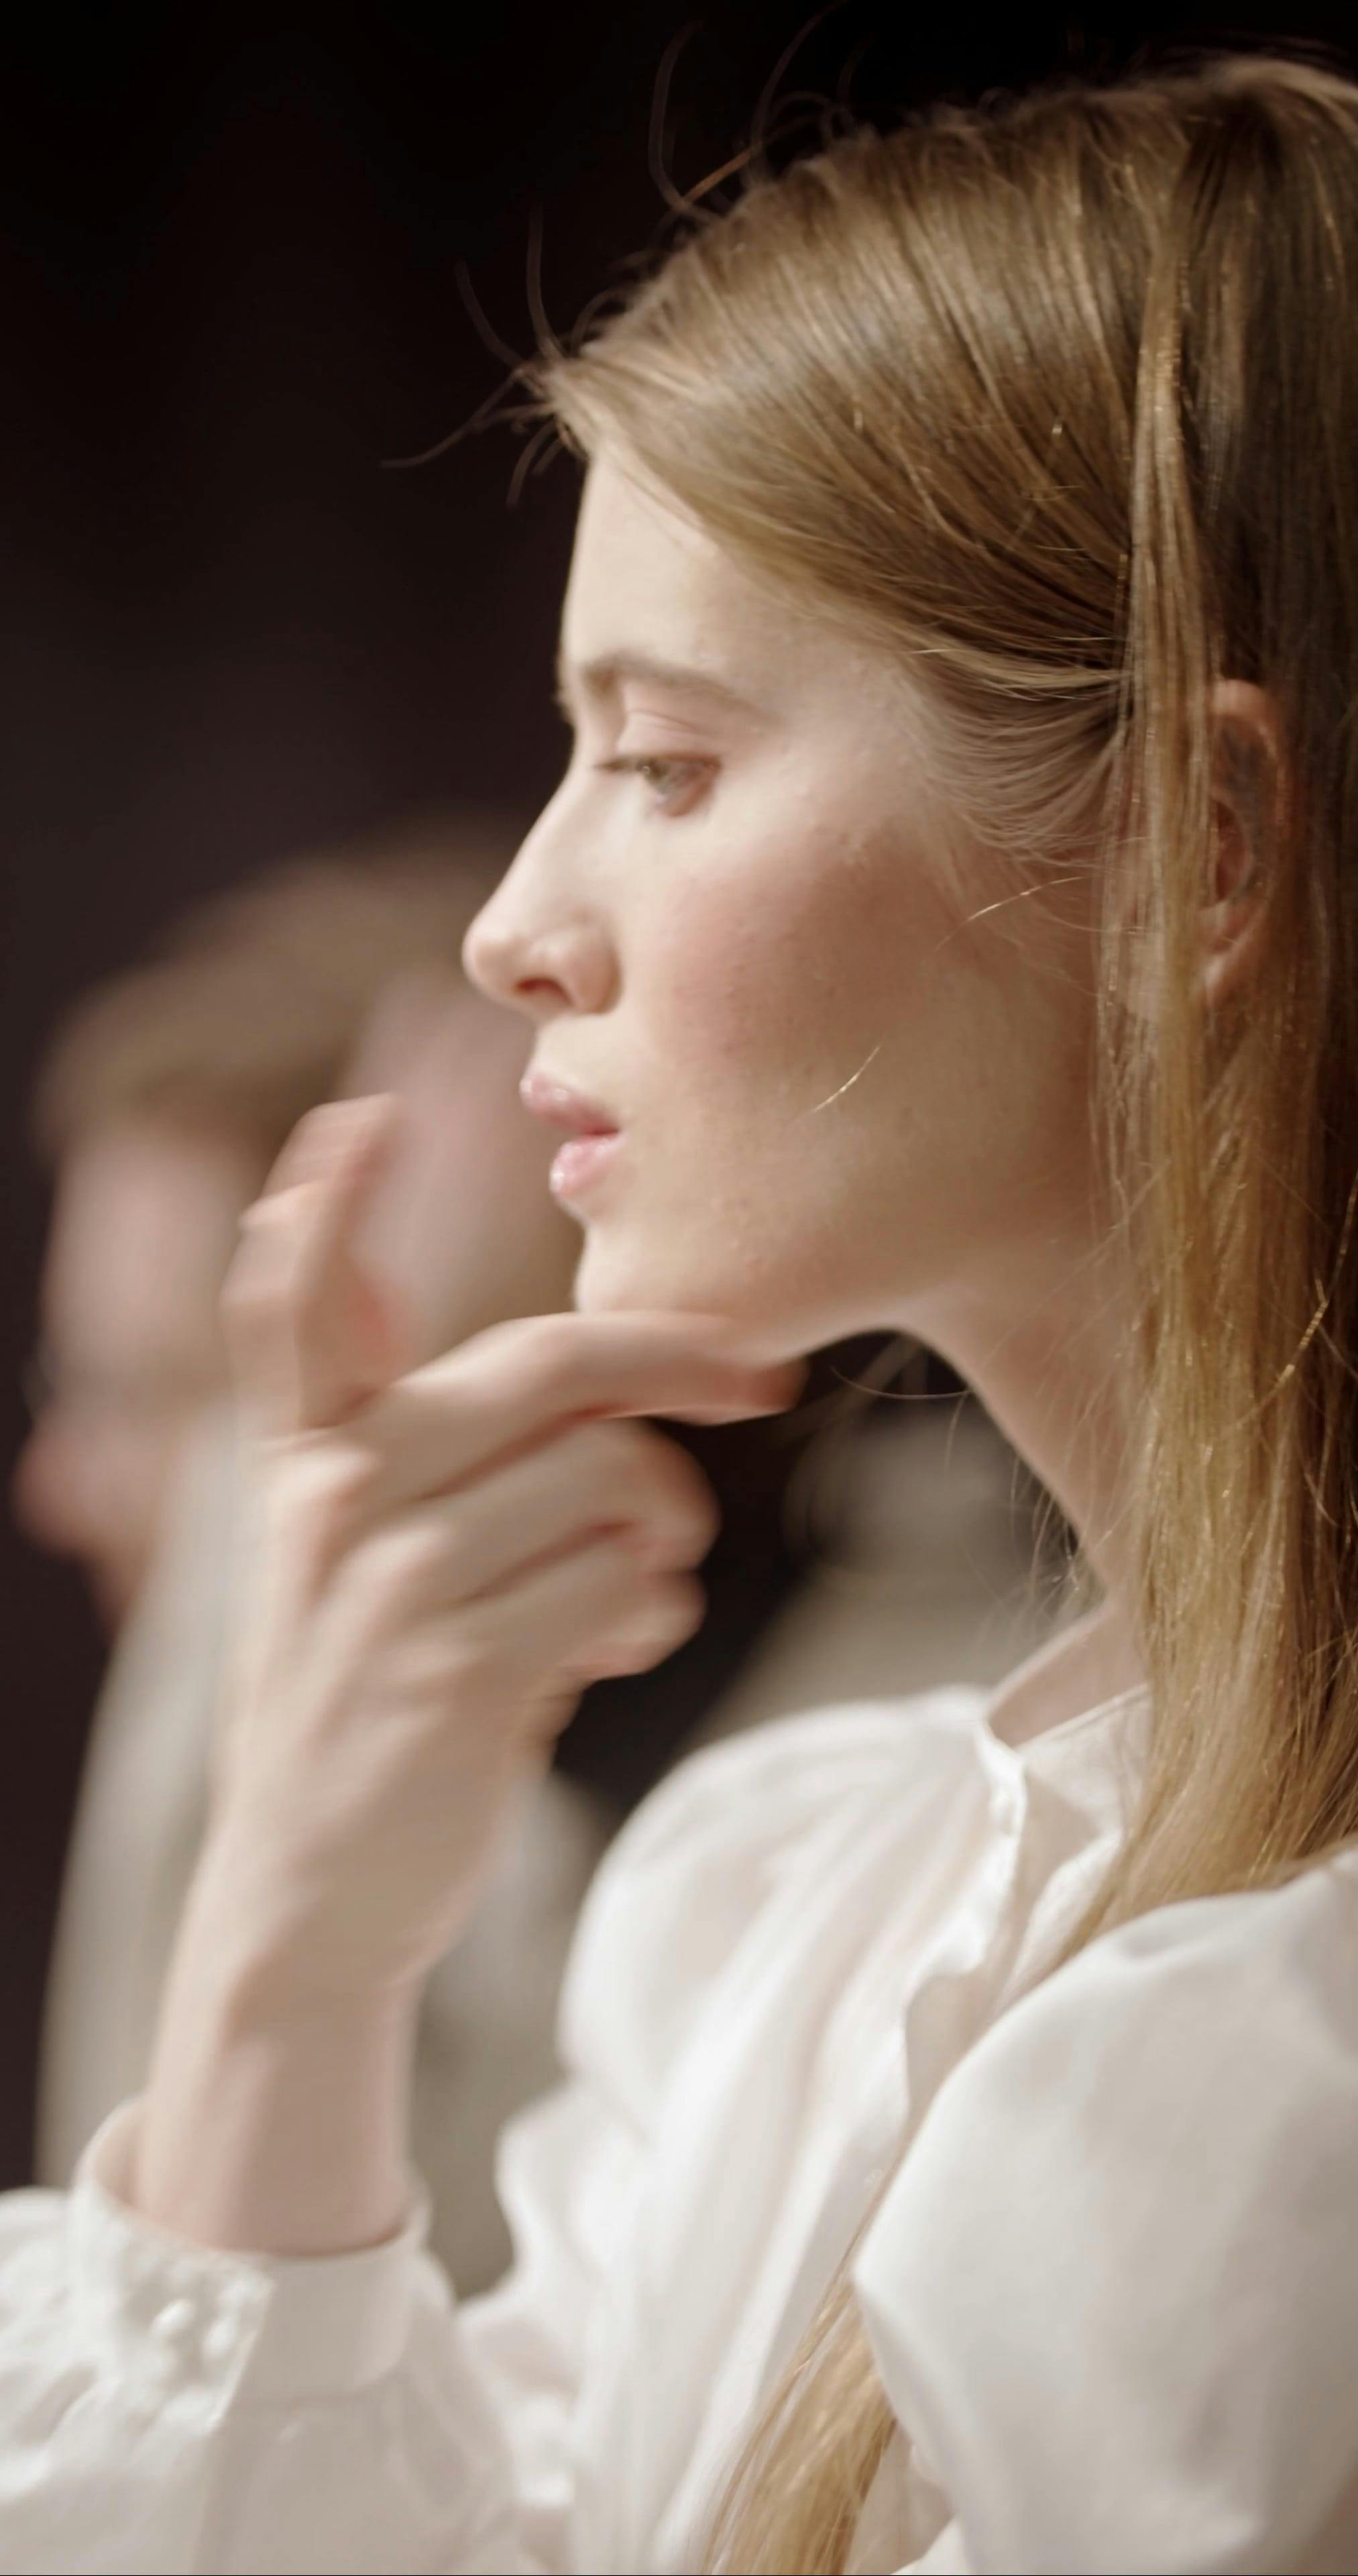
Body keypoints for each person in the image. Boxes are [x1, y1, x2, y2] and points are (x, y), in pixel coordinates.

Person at [1, 49, 1351, 2574]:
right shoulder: (790, 1919)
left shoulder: (1286, 2075)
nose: (514, 926)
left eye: (663, 761)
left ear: (1199, 846)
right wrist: (285, 1952)